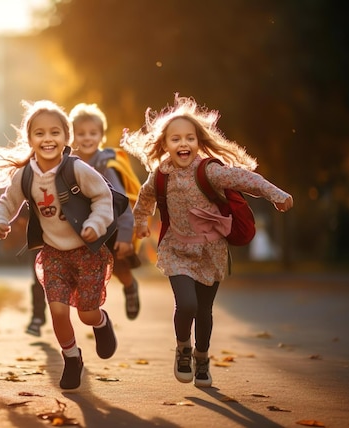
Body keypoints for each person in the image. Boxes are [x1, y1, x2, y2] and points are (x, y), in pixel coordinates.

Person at [121, 95, 294, 388]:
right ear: (165, 145)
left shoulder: (209, 171)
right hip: (176, 248)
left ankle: (202, 357)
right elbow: (146, 199)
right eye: (176, 139)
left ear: (199, 142)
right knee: (186, 304)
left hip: (211, 251)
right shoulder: (160, 175)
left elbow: (245, 180)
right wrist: (139, 224)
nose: (183, 143)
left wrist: (276, 195)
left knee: (204, 311)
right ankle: (183, 349)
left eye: (190, 138)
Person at [0, 99, 117, 390]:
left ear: (66, 137)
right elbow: (7, 203)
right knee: (58, 311)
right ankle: (72, 358)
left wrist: (95, 225)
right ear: (30, 138)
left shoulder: (77, 169)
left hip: (87, 253)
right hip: (54, 254)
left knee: (85, 312)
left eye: (55, 132)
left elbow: (103, 197)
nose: (48, 139)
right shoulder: (26, 176)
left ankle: (100, 322)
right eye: (40, 133)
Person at [70, 102, 141, 320]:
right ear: (71, 136)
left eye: (93, 133)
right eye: (81, 133)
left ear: (101, 136)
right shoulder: (68, 164)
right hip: (84, 227)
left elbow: (122, 202)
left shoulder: (105, 165)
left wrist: (126, 235)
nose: (87, 138)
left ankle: (130, 287)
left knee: (120, 267)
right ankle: (92, 309)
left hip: (111, 227)